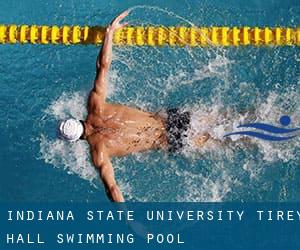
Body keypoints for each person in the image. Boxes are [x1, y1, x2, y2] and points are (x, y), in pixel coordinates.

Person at [58, 11, 210, 202]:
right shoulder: (95, 105)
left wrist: (130, 221)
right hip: (172, 118)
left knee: (228, 141)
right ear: (76, 119)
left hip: (171, 140)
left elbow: (112, 189)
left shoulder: (99, 152)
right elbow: (103, 66)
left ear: (76, 140)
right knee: (226, 118)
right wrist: (109, 33)